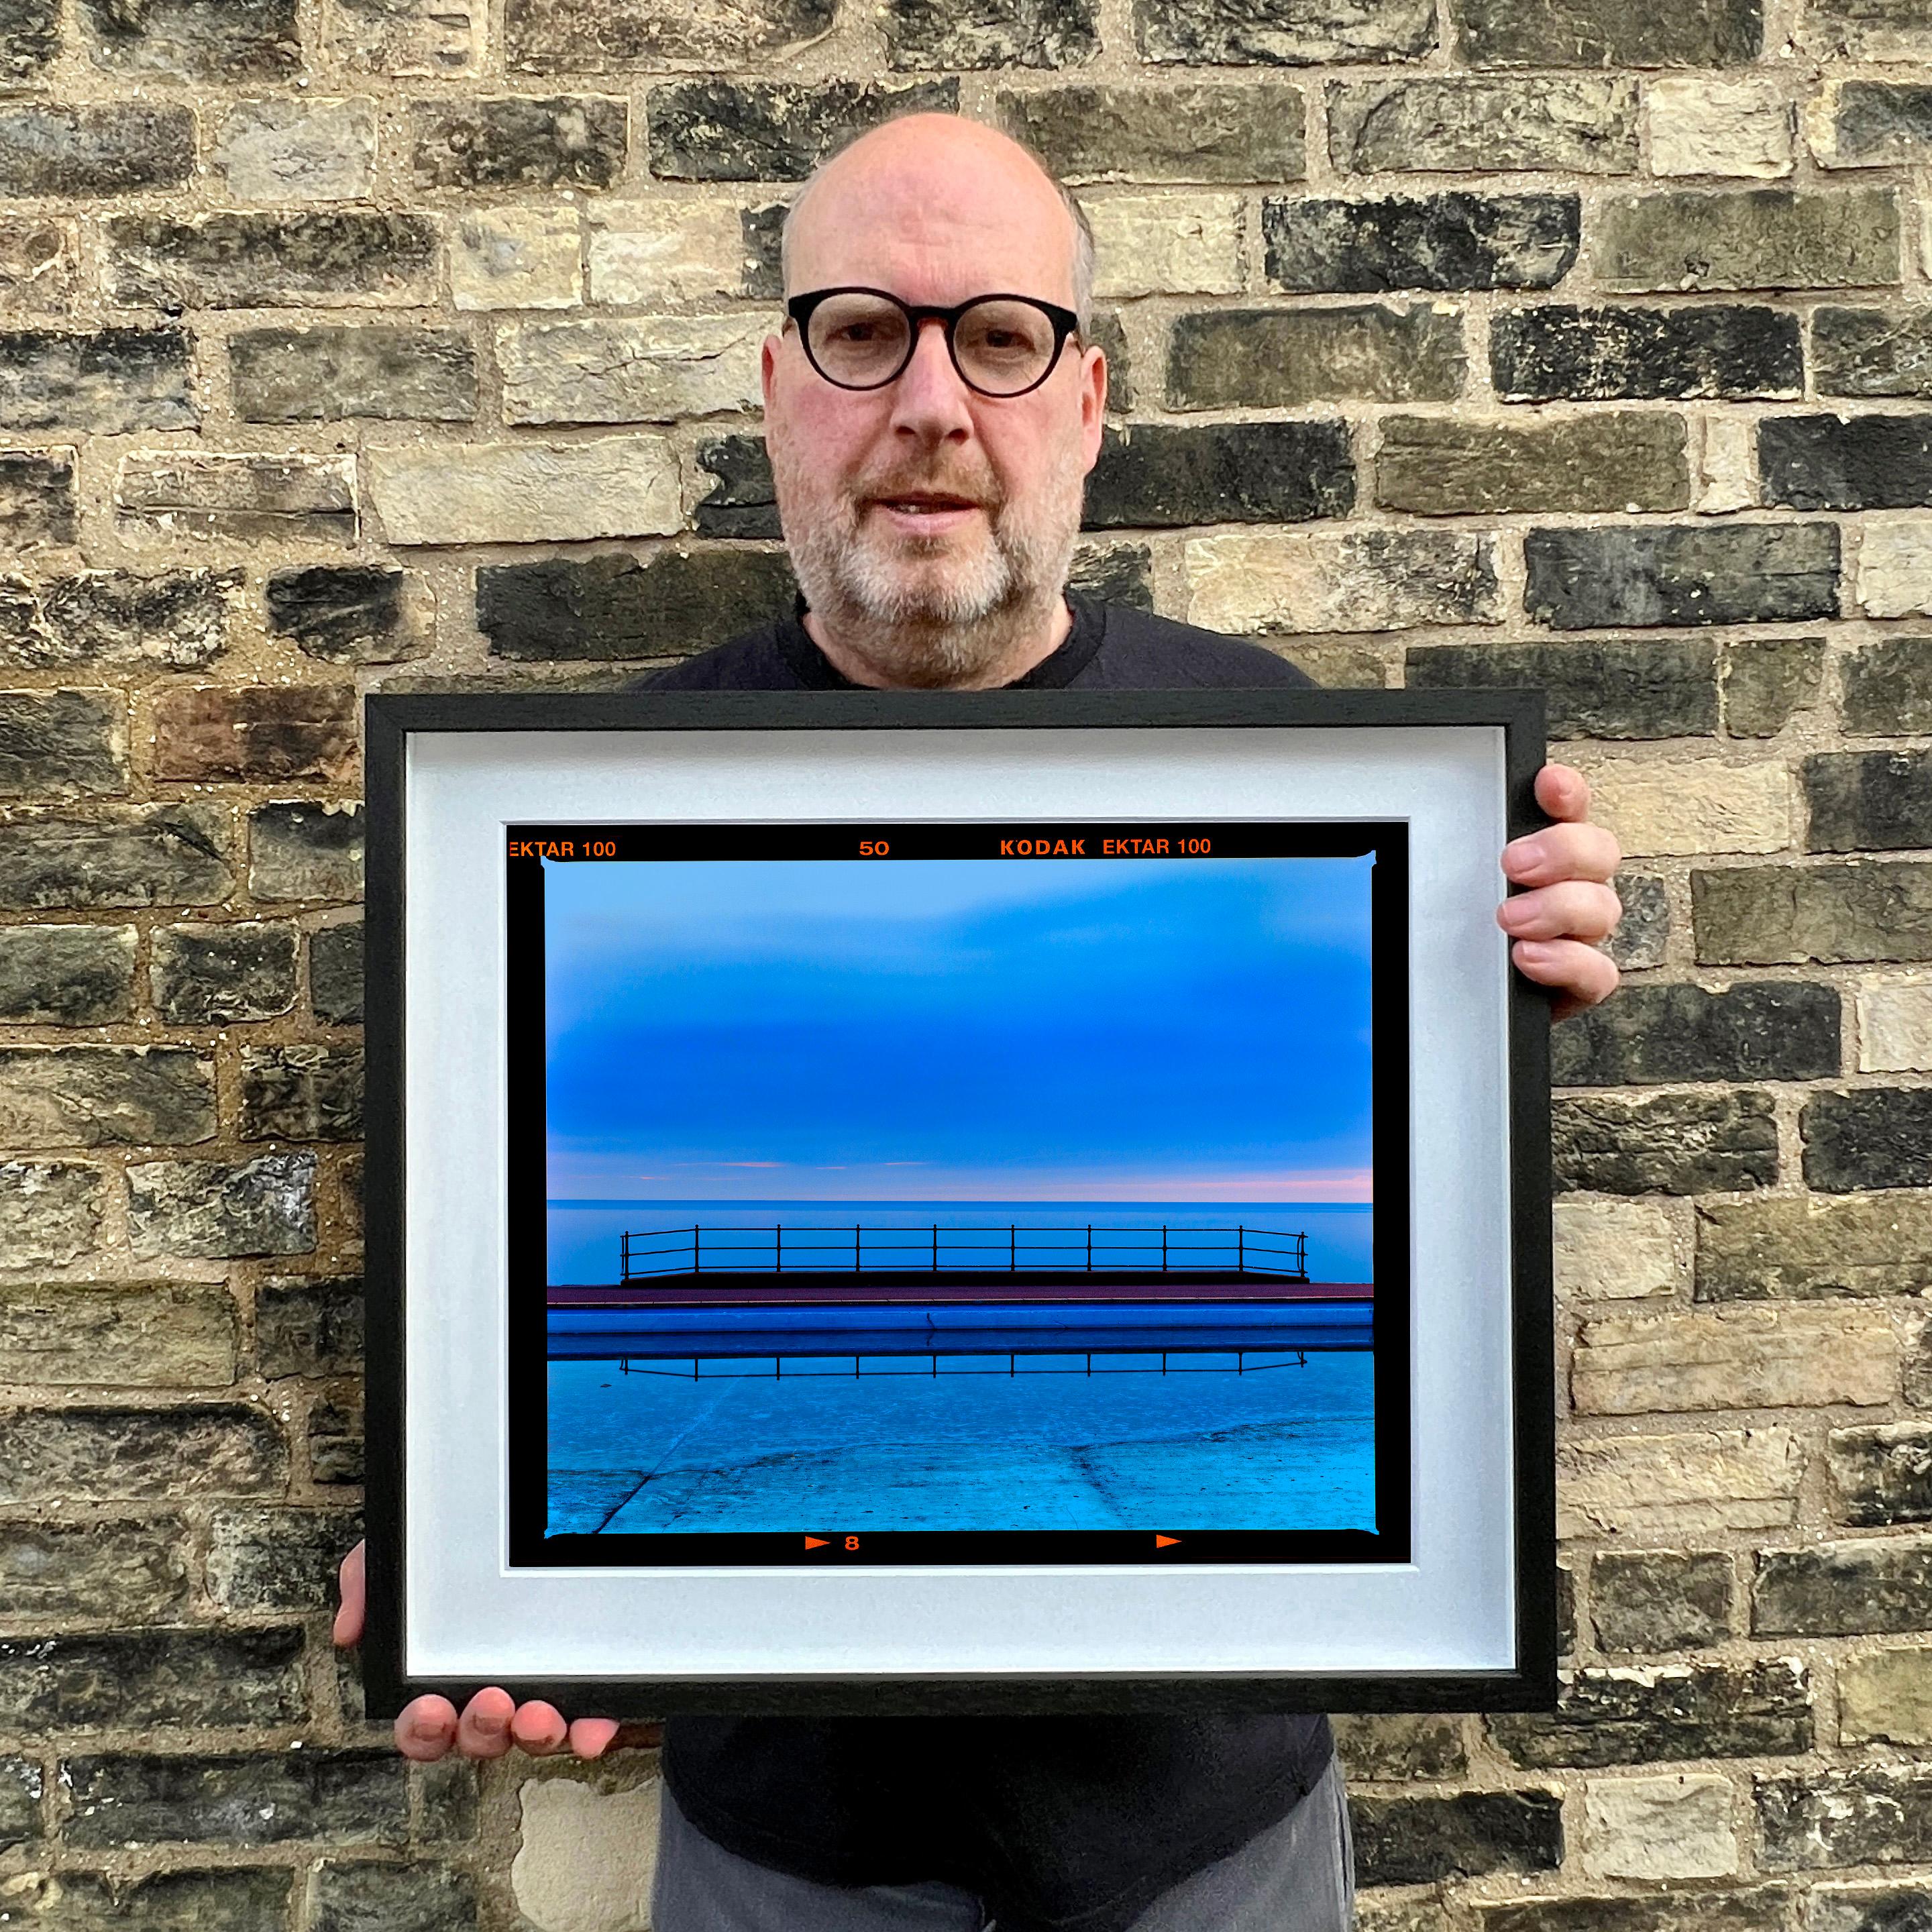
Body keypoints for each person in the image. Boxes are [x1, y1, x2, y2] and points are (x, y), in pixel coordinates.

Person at [334, 109, 1621, 1932]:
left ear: (1085, 401)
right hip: (789, 1863)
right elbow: (488, 1266)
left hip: (1218, 1849)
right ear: (778, 389)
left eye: (1000, 339)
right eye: (864, 333)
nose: (932, 403)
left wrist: (1519, 981)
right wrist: (471, 1518)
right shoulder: (588, 807)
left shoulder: (1284, 754)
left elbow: (1418, 1209)